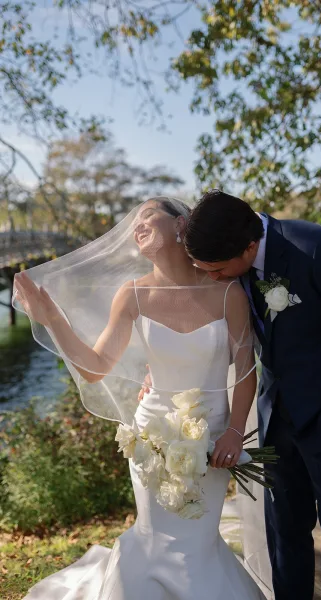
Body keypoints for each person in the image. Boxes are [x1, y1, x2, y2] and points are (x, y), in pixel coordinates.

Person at [14, 197, 267, 600]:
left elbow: (246, 371)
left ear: (181, 225)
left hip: (215, 433)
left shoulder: (227, 292)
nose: (137, 224)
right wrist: (53, 319)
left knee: (198, 538)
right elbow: (96, 366)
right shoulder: (132, 294)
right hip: (151, 434)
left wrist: (236, 431)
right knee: (154, 533)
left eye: (148, 215)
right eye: (134, 221)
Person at [184, 189, 321, 600]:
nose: (211, 278)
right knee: (285, 541)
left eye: (214, 270)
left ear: (249, 247)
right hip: (276, 422)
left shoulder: (318, 249)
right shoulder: (229, 257)